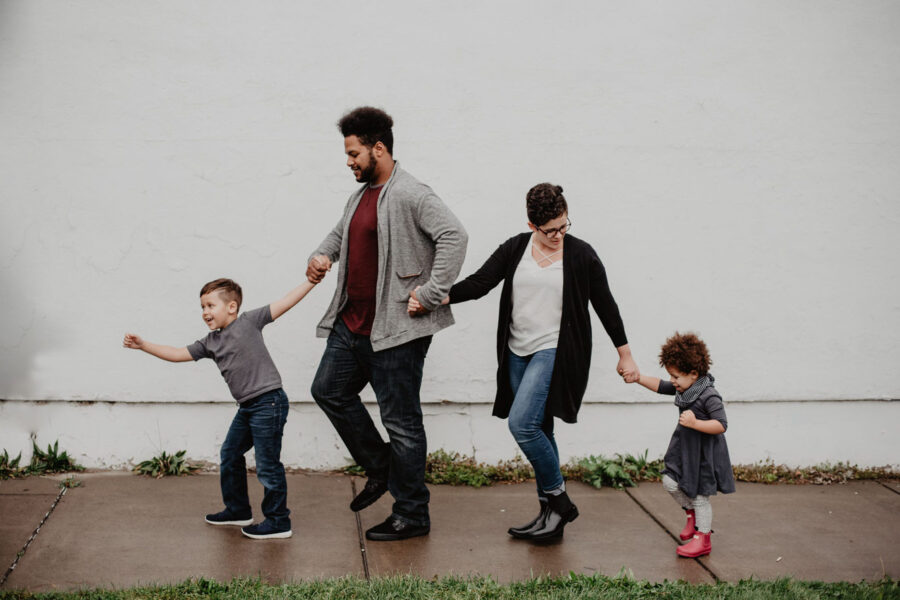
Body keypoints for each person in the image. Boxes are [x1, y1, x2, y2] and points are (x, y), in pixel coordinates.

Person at [409, 183, 639, 541]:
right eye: (551, 230)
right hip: (516, 352)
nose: (559, 235)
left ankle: (560, 502)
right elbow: (481, 282)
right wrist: (435, 298)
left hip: (554, 350)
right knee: (541, 429)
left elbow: (605, 304)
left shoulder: (581, 255)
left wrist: (625, 354)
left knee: (522, 425)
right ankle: (550, 517)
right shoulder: (517, 248)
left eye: (564, 226)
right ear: (533, 225)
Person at [306, 106, 467, 541]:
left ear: (379, 148)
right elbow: (340, 234)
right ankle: (381, 469)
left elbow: (455, 235)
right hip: (352, 325)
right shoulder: (359, 195)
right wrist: (321, 256)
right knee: (328, 391)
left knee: (402, 422)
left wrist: (431, 293)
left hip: (395, 331)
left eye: (354, 152)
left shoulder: (412, 193)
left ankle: (412, 513)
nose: (349, 161)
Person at [123, 277, 316, 540]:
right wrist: (144, 345)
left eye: (210, 306)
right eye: (202, 307)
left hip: (269, 402)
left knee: (267, 465)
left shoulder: (250, 321)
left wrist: (311, 282)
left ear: (232, 307)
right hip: (248, 407)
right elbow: (178, 353)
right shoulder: (210, 342)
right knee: (230, 453)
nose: (205, 312)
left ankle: (278, 520)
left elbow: (285, 302)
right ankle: (238, 510)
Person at [629, 331, 735, 557]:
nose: (673, 381)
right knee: (669, 481)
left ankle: (703, 538)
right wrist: (638, 377)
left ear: (694, 373)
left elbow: (721, 424)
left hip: (703, 454)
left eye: (676, 376)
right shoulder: (685, 388)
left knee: (699, 496)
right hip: (685, 449)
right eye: (671, 376)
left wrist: (696, 423)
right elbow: (660, 385)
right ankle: (691, 515)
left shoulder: (709, 395)